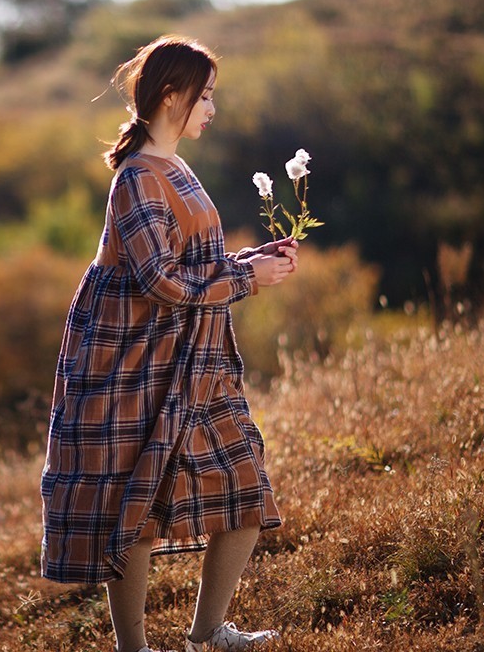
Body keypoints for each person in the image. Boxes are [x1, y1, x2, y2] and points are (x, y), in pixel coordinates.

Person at [39, 35, 298, 652]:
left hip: (191, 358)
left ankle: (208, 634)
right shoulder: (135, 178)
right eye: (205, 96)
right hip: (131, 361)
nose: (212, 108)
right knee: (137, 508)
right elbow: (159, 280)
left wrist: (250, 260)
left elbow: (190, 262)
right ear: (170, 95)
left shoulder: (176, 165)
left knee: (243, 484)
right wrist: (245, 280)